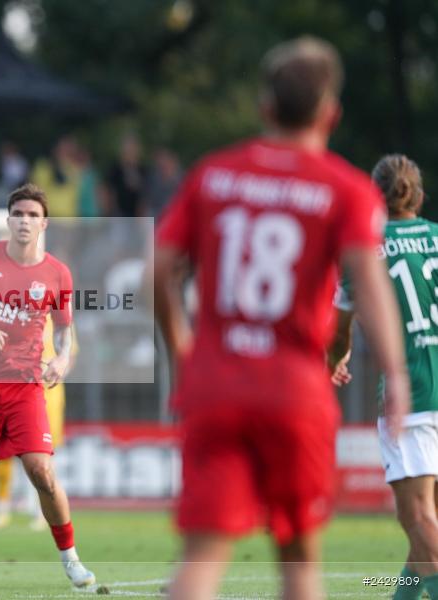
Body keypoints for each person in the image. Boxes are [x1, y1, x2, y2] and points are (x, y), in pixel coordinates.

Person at [154, 37, 410, 600]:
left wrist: (182, 347)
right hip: (295, 389)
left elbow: (162, 265)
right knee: (299, 565)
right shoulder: (346, 188)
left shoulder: (213, 175)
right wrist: (396, 376)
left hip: (217, 383)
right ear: (330, 113)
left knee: (200, 558)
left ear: (264, 107)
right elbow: (369, 286)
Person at [0, 183, 95, 590]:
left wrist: (62, 359)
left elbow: (65, 333)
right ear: (8, 220)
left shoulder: (57, 273)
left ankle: (71, 559)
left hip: (24, 388)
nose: (24, 221)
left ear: (44, 223)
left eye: (32, 215)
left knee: (41, 470)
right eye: (18, 214)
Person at [329, 154, 438, 600]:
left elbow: (338, 327)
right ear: (419, 193)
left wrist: (337, 357)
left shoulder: (364, 247)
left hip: (409, 394)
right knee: (428, 520)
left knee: (417, 518)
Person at [0, 315, 73, 532]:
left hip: (48, 395)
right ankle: (1, 510)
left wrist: (57, 371)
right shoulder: (13, 313)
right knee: (4, 452)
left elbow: (69, 354)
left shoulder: (60, 317)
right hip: (13, 390)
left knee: (42, 456)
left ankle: (40, 513)